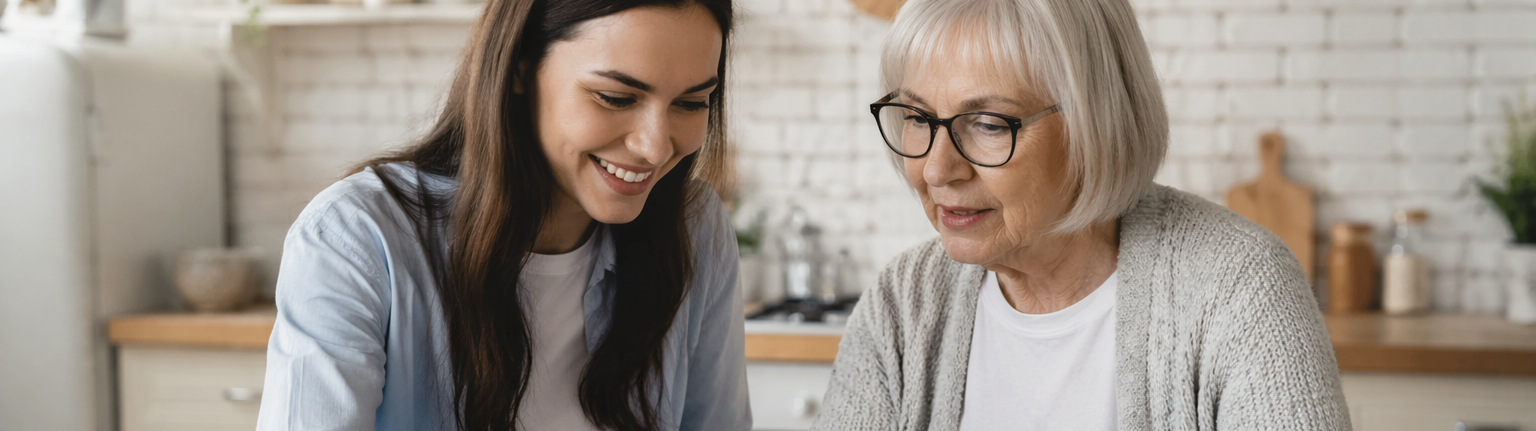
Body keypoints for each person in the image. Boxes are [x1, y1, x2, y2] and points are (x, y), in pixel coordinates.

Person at [814, 0, 1350, 429]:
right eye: (916, 117)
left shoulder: (1240, 287)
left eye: (990, 124)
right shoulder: (902, 304)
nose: (936, 169)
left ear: (1096, 124)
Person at [254, 0, 751, 430]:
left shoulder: (693, 229)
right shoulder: (357, 238)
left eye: (691, 103)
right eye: (615, 98)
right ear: (518, 67)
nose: (655, 146)